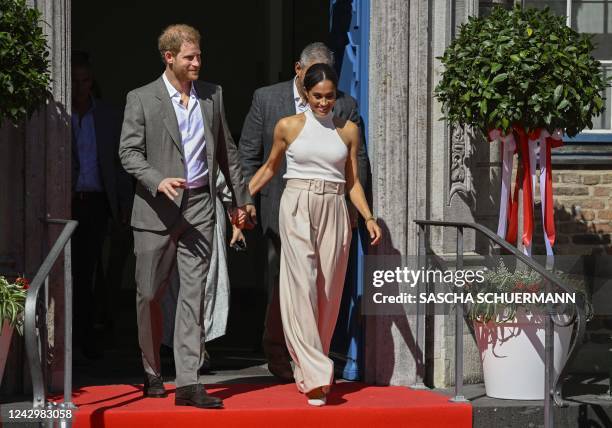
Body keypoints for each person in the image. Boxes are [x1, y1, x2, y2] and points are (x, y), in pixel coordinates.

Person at [119, 24, 254, 409]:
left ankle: (189, 383)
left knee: (194, 296)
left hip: (199, 205)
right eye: (190, 57)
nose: (197, 62)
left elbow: (227, 150)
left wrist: (240, 200)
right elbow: (128, 153)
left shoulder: (212, 96)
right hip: (155, 209)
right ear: (170, 58)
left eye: (199, 56)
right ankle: (151, 370)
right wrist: (157, 180)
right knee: (149, 295)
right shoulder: (141, 99)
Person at [248, 63, 382, 406]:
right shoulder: (288, 126)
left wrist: (367, 217)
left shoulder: (348, 130)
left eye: (330, 96)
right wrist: (239, 202)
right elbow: (269, 167)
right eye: (317, 96)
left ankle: (309, 369)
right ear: (306, 94)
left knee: (328, 291)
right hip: (297, 204)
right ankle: (318, 373)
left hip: (335, 206)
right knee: (302, 286)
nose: (323, 103)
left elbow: (352, 182)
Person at [71, 52, 133, 359]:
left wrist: (124, 203)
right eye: (75, 81)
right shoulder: (58, 115)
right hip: (66, 202)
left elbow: (119, 163)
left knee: (91, 270)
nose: (80, 88)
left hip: (96, 203)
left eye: (85, 81)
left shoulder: (107, 116)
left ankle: (90, 336)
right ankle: (74, 337)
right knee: (71, 272)